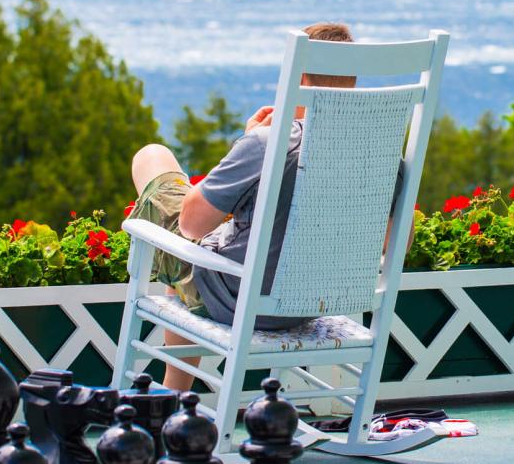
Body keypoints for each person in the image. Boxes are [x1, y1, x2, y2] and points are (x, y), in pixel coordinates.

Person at [127, 22, 364, 391]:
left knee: (152, 157)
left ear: (298, 75)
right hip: (311, 305)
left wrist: (249, 140)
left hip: (237, 300)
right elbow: (392, 246)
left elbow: (191, 225)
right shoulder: (375, 154)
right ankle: (175, 393)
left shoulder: (268, 144)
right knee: (191, 260)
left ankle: (171, 398)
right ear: (352, 80)